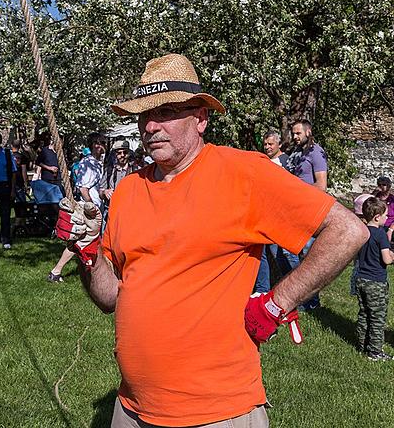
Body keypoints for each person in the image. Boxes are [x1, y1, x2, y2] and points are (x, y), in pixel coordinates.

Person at [76, 54, 367, 428]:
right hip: (131, 408)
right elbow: (109, 297)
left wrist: (275, 305)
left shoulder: (243, 172)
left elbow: (348, 231)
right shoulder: (130, 188)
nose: (150, 126)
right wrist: (88, 253)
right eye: (144, 115)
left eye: (165, 112)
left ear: (201, 118)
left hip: (217, 411)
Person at [47, 133, 105, 282]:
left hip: (95, 206)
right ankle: (57, 271)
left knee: (82, 241)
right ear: (91, 145)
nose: (100, 146)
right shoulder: (89, 163)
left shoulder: (97, 162)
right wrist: (91, 208)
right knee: (81, 241)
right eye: (96, 143)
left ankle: (67, 270)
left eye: (102, 143)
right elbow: (83, 188)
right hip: (89, 208)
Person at [288, 119, 328, 310]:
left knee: (307, 256)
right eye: (294, 133)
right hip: (295, 209)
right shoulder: (298, 153)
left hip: (310, 211)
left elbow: (321, 185)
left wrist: (298, 193)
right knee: (289, 252)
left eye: (298, 133)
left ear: (308, 132)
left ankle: (312, 301)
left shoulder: (316, 152)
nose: (295, 137)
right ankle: (296, 294)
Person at [254, 130, 298, 293]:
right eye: (265, 144)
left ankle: (295, 288)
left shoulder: (286, 162)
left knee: (284, 253)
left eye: (270, 144)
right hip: (264, 212)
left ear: (279, 144)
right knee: (264, 252)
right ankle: (262, 288)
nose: (267, 147)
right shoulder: (264, 161)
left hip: (281, 214)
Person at [356, 197, 394, 361]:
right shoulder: (381, 235)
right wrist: (392, 255)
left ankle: (361, 345)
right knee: (377, 318)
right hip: (376, 282)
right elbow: (386, 259)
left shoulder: (362, 232)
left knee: (364, 313)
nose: (387, 218)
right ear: (377, 216)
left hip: (360, 279)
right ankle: (375, 352)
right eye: (386, 215)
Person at [99, 140, 132, 232]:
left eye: (125, 152)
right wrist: (105, 192)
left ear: (129, 154)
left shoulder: (136, 170)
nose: (122, 155)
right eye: (119, 153)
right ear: (115, 154)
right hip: (110, 211)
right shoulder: (109, 171)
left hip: (129, 212)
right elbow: (100, 192)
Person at [0, 132, 17, 249]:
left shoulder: (7, 154)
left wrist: (13, 190)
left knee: (5, 214)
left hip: (4, 186)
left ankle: (6, 239)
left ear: (0, 141)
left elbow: (13, 172)